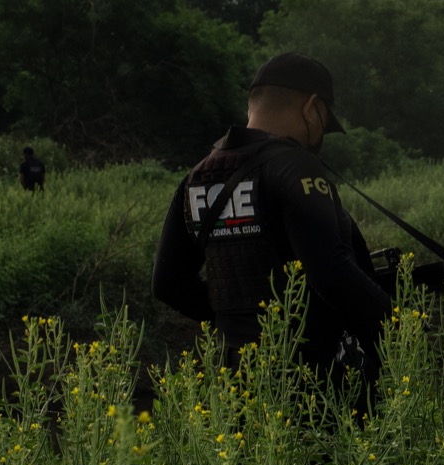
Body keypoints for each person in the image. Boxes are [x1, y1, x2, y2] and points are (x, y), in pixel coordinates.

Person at [151, 52, 391, 404]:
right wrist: (398, 329)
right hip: (310, 384)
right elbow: (332, 274)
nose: (320, 135)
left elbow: (168, 284)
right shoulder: (296, 168)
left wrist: (242, 322)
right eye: (324, 121)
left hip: (233, 379)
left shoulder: (198, 176)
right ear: (311, 108)